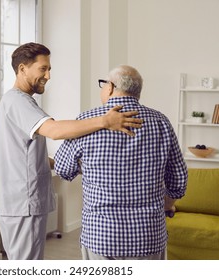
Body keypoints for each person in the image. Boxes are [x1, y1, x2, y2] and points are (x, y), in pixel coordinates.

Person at [0, 43, 143, 260]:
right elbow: (54, 131)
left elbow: (22, 153)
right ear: (23, 68)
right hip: (22, 203)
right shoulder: (17, 101)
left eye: (49, 69)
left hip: (19, 201)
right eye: (43, 69)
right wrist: (105, 121)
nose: (48, 75)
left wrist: (78, 164)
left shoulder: (20, 101)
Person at [54, 65, 188, 260]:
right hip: (148, 236)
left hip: (101, 236)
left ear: (109, 87)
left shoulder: (86, 121)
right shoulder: (161, 122)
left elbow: (63, 169)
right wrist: (168, 204)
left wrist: (92, 166)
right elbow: (179, 180)